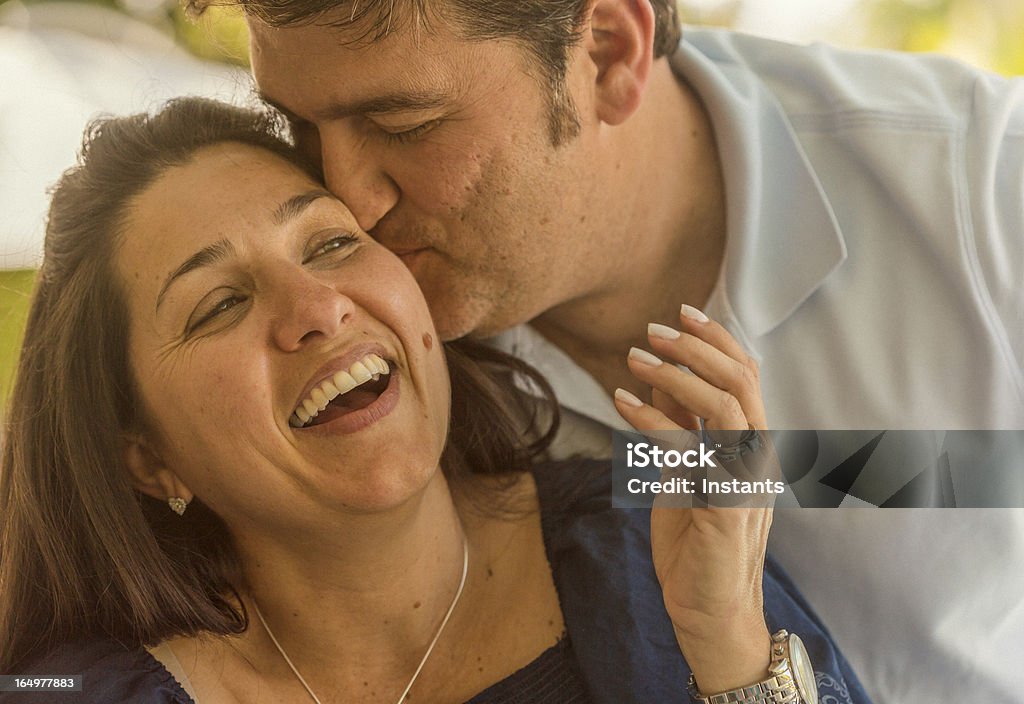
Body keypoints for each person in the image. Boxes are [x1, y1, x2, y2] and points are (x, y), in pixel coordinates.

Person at [205, 1, 1024, 701]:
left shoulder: (989, 192)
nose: (348, 198)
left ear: (607, 50)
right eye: (301, 127)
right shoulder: (349, 353)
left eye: (404, 127)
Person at [0, 98, 867, 704]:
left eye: (333, 242)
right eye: (220, 303)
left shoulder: (641, 533)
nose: (317, 308)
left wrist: (727, 643)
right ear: (145, 457)